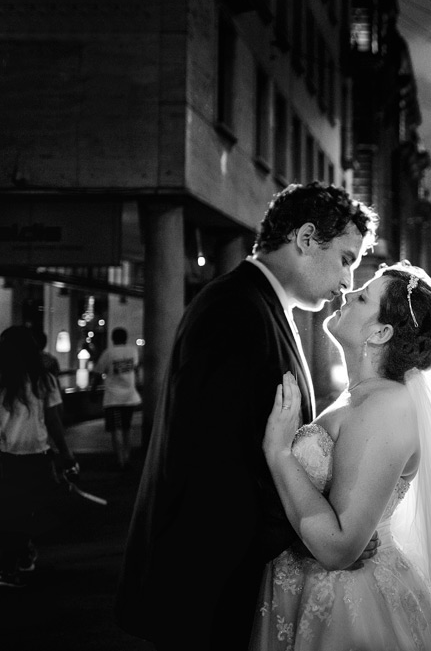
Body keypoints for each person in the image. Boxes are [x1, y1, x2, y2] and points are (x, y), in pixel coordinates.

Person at [116, 183, 378, 651]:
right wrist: (305, 539)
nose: (346, 281)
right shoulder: (234, 310)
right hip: (210, 579)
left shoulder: (259, 304)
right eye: (345, 259)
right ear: (305, 238)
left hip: (223, 575)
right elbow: (214, 462)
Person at [253, 263, 431, 651]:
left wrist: (278, 454)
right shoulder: (361, 396)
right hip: (316, 591)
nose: (346, 294)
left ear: (380, 332)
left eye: (361, 297)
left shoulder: (388, 407)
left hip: (347, 610)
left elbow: (340, 548)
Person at [0, 325, 78, 589]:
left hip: (6, 456)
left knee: (11, 509)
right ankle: (16, 558)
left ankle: (14, 559)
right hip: (36, 455)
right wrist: (66, 455)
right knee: (30, 510)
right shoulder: (44, 380)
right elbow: (54, 421)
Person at [95, 327, 142, 469]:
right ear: (126, 338)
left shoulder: (108, 353)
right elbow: (135, 368)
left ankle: (120, 460)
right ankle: (127, 457)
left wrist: (92, 391)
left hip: (113, 398)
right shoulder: (133, 351)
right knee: (127, 428)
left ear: (112, 338)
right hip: (130, 397)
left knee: (116, 429)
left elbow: (98, 373)